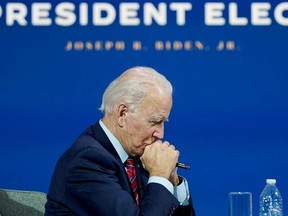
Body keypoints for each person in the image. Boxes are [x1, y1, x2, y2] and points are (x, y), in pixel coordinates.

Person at [45, 66, 196, 216]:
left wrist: (172, 181)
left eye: (164, 122)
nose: (161, 134)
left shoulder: (138, 153)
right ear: (122, 113)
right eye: (155, 121)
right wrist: (159, 176)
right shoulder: (87, 161)